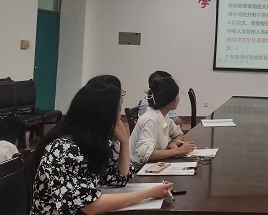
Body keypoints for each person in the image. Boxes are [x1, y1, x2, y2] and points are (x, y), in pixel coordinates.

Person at [31, 81, 172, 214]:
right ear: (103, 115)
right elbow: (90, 206)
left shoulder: (92, 143)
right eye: (118, 111)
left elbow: (119, 178)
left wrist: (124, 142)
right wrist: (148, 194)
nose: (119, 118)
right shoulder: (64, 149)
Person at [129, 75, 194, 163]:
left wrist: (173, 143)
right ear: (170, 99)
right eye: (177, 95)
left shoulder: (163, 115)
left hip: (155, 163)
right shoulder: (151, 120)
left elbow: (179, 134)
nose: (179, 98)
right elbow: (146, 154)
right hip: (140, 168)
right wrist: (178, 151)